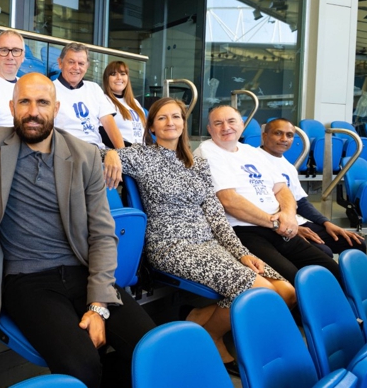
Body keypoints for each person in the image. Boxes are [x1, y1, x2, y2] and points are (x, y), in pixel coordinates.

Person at [0, 73, 155, 388]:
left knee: (149, 349)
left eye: (42, 102)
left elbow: (103, 234)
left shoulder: (84, 155)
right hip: (26, 281)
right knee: (82, 366)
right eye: (24, 102)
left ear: (56, 107)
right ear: (12, 106)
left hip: (82, 272)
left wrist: (98, 307)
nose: (33, 111)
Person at [112, 98, 294, 375]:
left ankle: (198, 320)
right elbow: (87, 151)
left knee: (286, 292)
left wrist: (241, 252)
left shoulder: (197, 164)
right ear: (151, 126)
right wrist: (111, 153)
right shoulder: (141, 156)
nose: (170, 122)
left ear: (184, 123)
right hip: (171, 245)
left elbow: (216, 216)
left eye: (176, 116)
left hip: (209, 243)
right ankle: (209, 337)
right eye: (162, 118)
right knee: (259, 291)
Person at [194, 105, 341, 283]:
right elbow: (229, 201)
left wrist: (288, 216)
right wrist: (277, 223)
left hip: (275, 227)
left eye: (231, 121)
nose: (226, 127)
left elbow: (282, 189)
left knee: (332, 270)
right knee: (293, 279)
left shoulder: (251, 151)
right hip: (243, 231)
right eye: (218, 123)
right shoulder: (207, 152)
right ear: (210, 129)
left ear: (241, 124)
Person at [260, 118, 366, 255]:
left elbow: (301, 202)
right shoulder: (254, 160)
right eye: (278, 133)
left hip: (296, 221)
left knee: (355, 243)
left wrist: (326, 223)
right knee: (323, 251)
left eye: (289, 135)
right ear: (265, 136)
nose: (284, 139)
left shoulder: (288, 167)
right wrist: (291, 228)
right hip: (273, 226)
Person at [53, 43, 125, 151]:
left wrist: (123, 154)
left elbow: (108, 122)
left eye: (81, 63)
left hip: (96, 151)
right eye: (71, 62)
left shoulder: (94, 88)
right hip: (67, 151)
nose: (76, 67)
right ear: (60, 63)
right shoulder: (49, 89)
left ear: (87, 67)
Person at [101, 60, 146, 146]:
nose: (119, 78)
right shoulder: (104, 100)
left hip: (140, 155)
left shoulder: (135, 102)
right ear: (107, 79)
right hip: (120, 154)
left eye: (122, 74)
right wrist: (128, 148)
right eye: (113, 74)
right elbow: (102, 133)